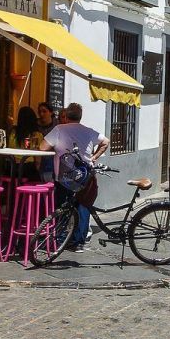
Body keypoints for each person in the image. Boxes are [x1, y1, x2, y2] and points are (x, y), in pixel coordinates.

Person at [39, 102, 110, 253]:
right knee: (83, 206)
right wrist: (93, 157)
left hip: (64, 177)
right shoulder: (89, 131)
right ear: (80, 117)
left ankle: (59, 238)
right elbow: (106, 142)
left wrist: (57, 146)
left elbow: (42, 147)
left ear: (67, 115)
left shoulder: (59, 129)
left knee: (62, 206)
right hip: (85, 175)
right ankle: (78, 242)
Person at [8, 106, 43, 180]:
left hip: (10, 168)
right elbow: (37, 158)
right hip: (27, 168)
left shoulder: (12, 132)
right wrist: (37, 168)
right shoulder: (36, 135)